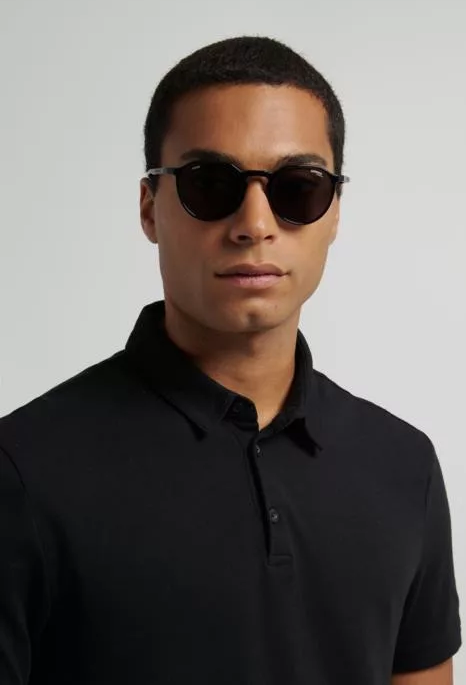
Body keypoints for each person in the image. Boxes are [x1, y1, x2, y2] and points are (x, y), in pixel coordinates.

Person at [0, 35, 461, 685]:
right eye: (210, 184)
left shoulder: (403, 467)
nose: (254, 223)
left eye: (298, 188)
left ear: (335, 213)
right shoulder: (23, 471)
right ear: (149, 208)